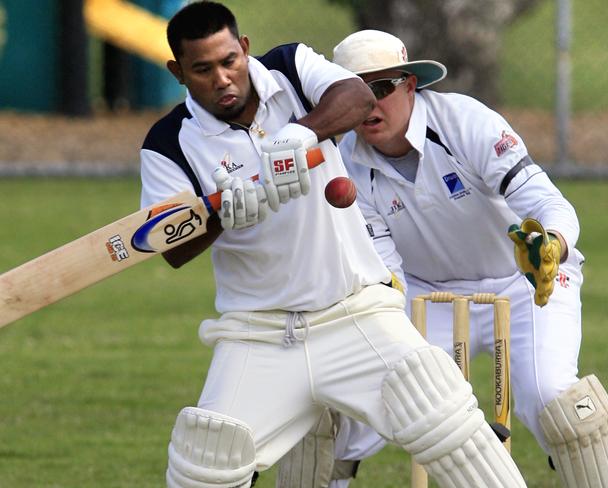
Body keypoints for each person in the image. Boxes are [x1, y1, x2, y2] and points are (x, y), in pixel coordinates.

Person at [139, 4, 527, 488]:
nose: (222, 79)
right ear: (178, 72)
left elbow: (357, 95)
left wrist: (300, 134)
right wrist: (219, 214)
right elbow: (171, 246)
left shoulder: (289, 67)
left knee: (445, 419)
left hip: (355, 313)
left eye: (228, 62)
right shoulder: (168, 143)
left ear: (244, 49)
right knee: (207, 463)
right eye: (202, 69)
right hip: (258, 334)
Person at [296, 29, 608, 488]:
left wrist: (550, 245)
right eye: (354, 93)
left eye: (382, 88)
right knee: (346, 411)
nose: (369, 105)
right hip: (422, 292)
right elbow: (384, 267)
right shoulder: (345, 165)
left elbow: (549, 204)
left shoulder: (465, 122)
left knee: (558, 404)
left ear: (410, 84)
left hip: (525, 282)